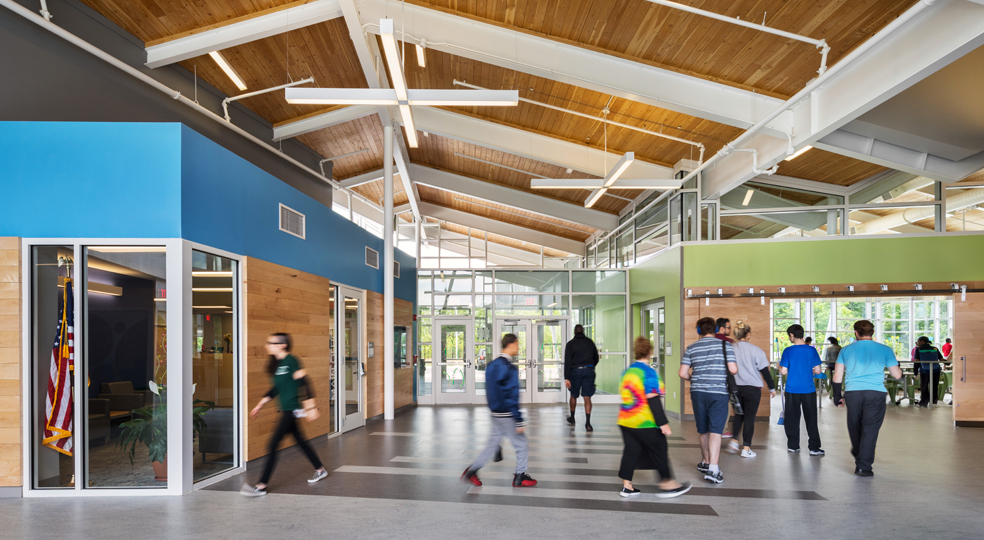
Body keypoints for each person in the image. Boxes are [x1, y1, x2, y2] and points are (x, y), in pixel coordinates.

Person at [241, 333, 327, 496]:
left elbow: (305, 383)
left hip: (293, 409)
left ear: (282, 345)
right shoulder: (277, 365)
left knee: (273, 444)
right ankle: (320, 469)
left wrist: (311, 408)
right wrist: (260, 404)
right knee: (301, 441)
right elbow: (276, 388)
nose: (267, 345)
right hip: (286, 408)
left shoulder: (292, 361)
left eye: (271, 343)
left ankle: (261, 486)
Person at [617, 336, 691, 498]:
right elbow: (652, 398)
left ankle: (627, 486)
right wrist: (663, 423)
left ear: (636, 352)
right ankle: (667, 483)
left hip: (625, 420)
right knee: (660, 449)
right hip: (644, 422)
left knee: (631, 451)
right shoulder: (648, 372)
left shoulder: (628, 371)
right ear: (650, 352)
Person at [461, 333, 537, 488]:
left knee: (492, 444)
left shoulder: (492, 365)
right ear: (510, 345)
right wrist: (518, 419)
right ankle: (520, 477)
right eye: (517, 344)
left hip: (495, 413)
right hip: (507, 414)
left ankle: (471, 472)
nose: (518, 348)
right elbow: (512, 396)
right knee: (522, 444)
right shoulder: (509, 368)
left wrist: (493, 409)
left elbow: (490, 390)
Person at [832, 320, 902, 476]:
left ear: (856, 333)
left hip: (853, 393)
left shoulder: (846, 350)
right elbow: (896, 374)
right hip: (875, 393)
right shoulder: (885, 349)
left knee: (855, 426)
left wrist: (837, 396)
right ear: (873, 332)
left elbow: (837, 375)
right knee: (870, 429)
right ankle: (863, 466)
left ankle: (860, 452)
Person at [679, 317, 737, 484]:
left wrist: (694, 378)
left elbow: (682, 373)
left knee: (703, 429)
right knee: (716, 430)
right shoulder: (726, 346)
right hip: (718, 392)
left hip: (698, 392)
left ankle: (705, 461)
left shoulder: (691, 347)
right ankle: (713, 469)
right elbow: (733, 369)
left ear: (699, 331)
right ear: (715, 329)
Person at [727, 321, 776, 458]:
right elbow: (765, 372)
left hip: (735, 388)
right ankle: (746, 448)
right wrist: (772, 388)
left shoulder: (730, 349)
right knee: (749, 418)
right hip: (752, 389)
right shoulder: (756, 350)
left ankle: (734, 440)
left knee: (738, 415)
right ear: (748, 335)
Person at [779, 324, 824, 456]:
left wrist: (778, 366)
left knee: (792, 418)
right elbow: (818, 370)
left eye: (789, 336)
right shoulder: (812, 351)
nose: (789, 338)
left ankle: (793, 446)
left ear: (792, 335)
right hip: (808, 389)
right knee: (811, 419)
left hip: (792, 389)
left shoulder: (788, 351)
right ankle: (814, 448)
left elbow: (783, 371)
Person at [564, 324, 600, 431]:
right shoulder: (590, 342)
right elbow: (596, 358)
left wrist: (567, 378)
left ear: (575, 332)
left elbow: (568, 362)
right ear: (583, 331)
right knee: (587, 397)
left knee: (573, 395)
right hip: (589, 371)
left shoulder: (570, 344)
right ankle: (588, 424)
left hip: (576, 372)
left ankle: (573, 419)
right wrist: (590, 366)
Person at [713, 318, 735, 439]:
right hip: (724, 379)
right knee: (725, 406)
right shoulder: (729, 342)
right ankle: (723, 430)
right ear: (722, 328)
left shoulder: (708, 341)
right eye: (728, 327)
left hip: (709, 381)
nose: (730, 330)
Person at [913, 336, 945, 407]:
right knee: (934, 386)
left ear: (922, 341)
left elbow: (917, 361)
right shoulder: (935, 348)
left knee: (924, 386)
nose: (917, 342)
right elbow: (941, 359)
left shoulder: (918, 349)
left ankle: (924, 403)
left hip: (925, 371)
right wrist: (949, 362)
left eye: (918, 341)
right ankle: (933, 402)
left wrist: (915, 372)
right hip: (936, 370)